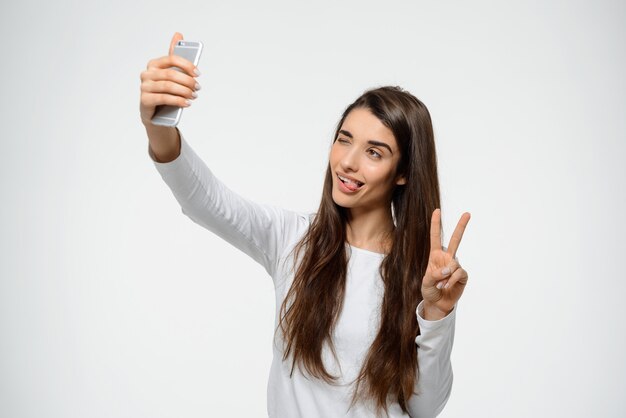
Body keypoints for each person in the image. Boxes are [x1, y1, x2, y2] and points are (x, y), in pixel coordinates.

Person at [139, 32, 471, 418]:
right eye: (344, 140)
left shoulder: (424, 273)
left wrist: (436, 314)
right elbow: (204, 200)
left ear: (403, 174)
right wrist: (158, 126)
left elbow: (425, 408)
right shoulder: (292, 240)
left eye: (374, 153)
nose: (348, 162)